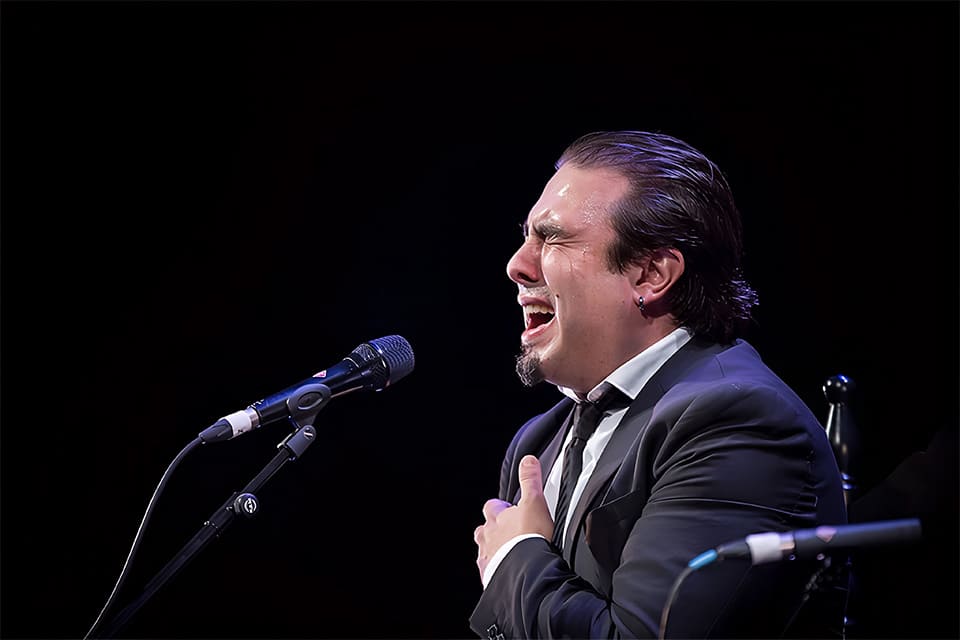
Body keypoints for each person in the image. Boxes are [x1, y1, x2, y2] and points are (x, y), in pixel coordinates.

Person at [470, 130, 848, 639]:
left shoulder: (737, 418)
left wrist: (515, 558)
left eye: (553, 237)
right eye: (526, 236)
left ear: (651, 275)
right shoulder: (540, 440)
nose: (517, 264)